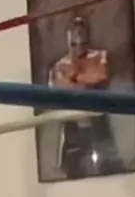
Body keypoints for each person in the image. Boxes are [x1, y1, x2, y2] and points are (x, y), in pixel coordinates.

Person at [47, 16, 123, 178]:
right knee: (70, 171)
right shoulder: (59, 65)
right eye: (74, 44)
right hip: (72, 124)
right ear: (68, 41)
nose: (79, 48)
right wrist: (80, 78)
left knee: (109, 167)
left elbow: (101, 74)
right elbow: (56, 89)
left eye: (83, 43)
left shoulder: (99, 56)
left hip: (97, 120)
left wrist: (74, 77)